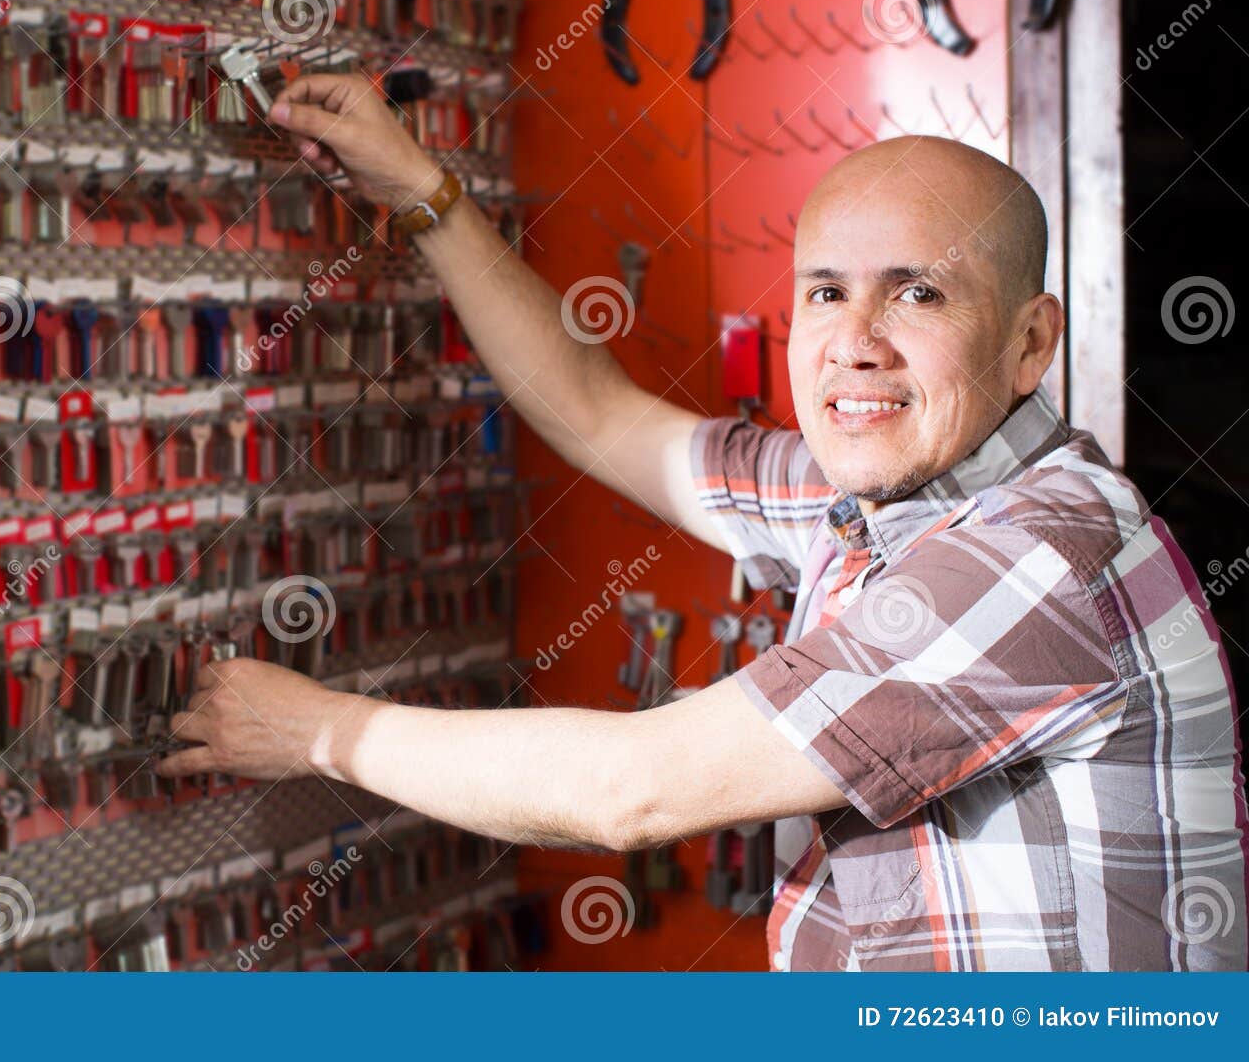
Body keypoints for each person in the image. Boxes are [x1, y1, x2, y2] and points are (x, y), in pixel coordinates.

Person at [157, 74, 1247, 971]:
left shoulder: (1036, 554)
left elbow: (630, 790)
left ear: (1028, 341)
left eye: (918, 293)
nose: (854, 340)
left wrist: (311, 730)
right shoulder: (867, 499)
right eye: (826, 292)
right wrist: (423, 195)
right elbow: (595, 413)